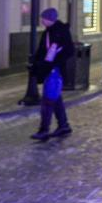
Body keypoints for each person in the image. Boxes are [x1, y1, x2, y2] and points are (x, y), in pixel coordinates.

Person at [30, 8, 74, 141]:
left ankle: (44, 130)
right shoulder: (50, 32)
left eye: (43, 18)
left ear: (49, 19)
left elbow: (67, 50)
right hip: (50, 69)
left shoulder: (59, 32)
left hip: (54, 70)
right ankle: (63, 125)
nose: (42, 20)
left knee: (48, 100)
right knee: (55, 98)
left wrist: (54, 63)